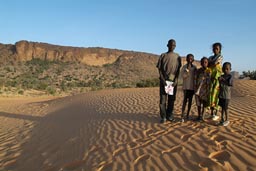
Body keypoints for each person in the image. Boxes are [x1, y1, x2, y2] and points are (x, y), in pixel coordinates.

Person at [156, 39, 182, 123]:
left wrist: (176, 80)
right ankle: (163, 117)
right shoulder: (163, 55)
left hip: (173, 82)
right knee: (163, 100)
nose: (172, 46)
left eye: (174, 45)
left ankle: (169, 116)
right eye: (171, 45)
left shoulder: (177, 56)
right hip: (164, 81)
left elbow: (178, 70)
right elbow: (159, 69)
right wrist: (163, 80)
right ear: (167, 45)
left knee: (171, 100)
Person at [208, 42, 223, 120]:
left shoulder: (220, 57)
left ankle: (216, 113)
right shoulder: (210, 57)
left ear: (220, 50)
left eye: (217, 48)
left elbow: (213, 63)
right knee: (211, 95)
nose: (215, 50)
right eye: (214, 48)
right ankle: (211, 113)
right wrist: (210, 64)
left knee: (216, 95)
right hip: (211, 78)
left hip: (217, 78)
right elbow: (208, 64)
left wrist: (210, 64)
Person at [180, 54, 197, 122]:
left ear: (193, 60)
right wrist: (187, 72)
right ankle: (182, 114)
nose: (190, 60)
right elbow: (183, 76)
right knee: (185, 101)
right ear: (186, 59)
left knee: (190, 101)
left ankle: (187, 114)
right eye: (189, 58)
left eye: (191, 59)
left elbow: (196, 76)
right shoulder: (184, 67)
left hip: (192, 87)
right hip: (186, 87)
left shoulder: (195, 67)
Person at [194, 57, 211, 121]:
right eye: (203, 62)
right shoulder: (198, 71)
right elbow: (195, 80)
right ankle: (199, 116)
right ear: (201, 63)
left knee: (204, 104)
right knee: (198, 104)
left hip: (205, 90)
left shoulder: (209, 71)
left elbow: (210, 81)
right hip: (198, 90)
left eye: (206, 62)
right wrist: (195, 88)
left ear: (207, 63)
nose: (204, 63)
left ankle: (202, 116)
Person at [218, 62, 233, 126]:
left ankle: (227, 120)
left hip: (227, 96)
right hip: (221, 95)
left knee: (226, 108)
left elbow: (230, 84)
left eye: (227, 69)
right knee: (222, 108)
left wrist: (223, 80)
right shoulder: (221, 76)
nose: (225, 70)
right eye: (224, 68)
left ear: (230, 69)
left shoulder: (230, 76)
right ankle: (222, 119)